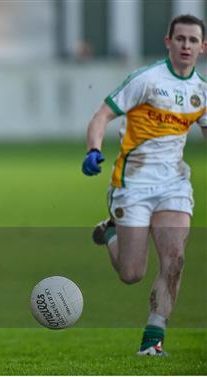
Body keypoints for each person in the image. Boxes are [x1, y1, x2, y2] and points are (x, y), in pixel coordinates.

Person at [82, 14, 206, 356]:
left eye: (192, 40)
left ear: (202, 47)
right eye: (179, 39)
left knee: (175, 258)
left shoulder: (201, 92)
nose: (185, 45)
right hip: (133, 182)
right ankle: (110, 232)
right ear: (168, 42)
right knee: (131, 273)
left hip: (174, 185)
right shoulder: (147, 80)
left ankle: (153, 339)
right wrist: (94, 149)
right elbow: (102, 115)